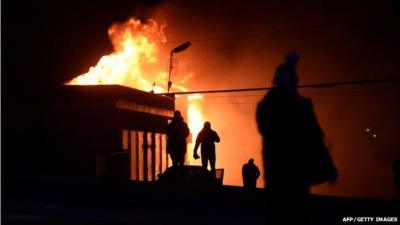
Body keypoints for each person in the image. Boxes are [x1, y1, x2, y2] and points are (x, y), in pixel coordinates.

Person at [256, 52, 337, 224]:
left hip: (291, 174)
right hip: (283, 173)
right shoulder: (277, 106)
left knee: (291, 212)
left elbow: (315, 139)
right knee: (284, 212)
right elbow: (314, 138)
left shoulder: (295, 106)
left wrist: (329, 169)